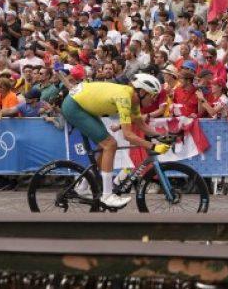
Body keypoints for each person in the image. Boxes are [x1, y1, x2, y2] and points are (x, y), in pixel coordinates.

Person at [60, 72, 170, 209]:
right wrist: (153, 146)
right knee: (110, 144)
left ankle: (83, 187)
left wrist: (163, 136)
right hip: (74, 107)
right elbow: (128, 135)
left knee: (106, 146)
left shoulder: (133, 99)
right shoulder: (125, 98)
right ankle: (107, 196)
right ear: (142, 92)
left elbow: (141, 125)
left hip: (82, 105)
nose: (154, 100)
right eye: (153, 95)